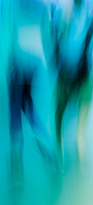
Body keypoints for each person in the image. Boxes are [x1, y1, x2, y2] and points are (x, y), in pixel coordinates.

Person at [6, 0, 55, 185]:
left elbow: (11, 32)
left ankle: (16, 160)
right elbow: (47, 34)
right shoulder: (43, 5)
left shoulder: (15, 4)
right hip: (35, 59)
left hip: (19, 57)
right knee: (27, 104)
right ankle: (45, 145)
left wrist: (10, 61)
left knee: (14, 107)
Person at [51, 0, 93, 167]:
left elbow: (56, 42)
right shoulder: (72, 12)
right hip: (76, 71)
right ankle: (75, 144)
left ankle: (68, 144)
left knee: (61, 111)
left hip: (77, 72)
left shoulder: (67, 11)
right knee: (61, 110)